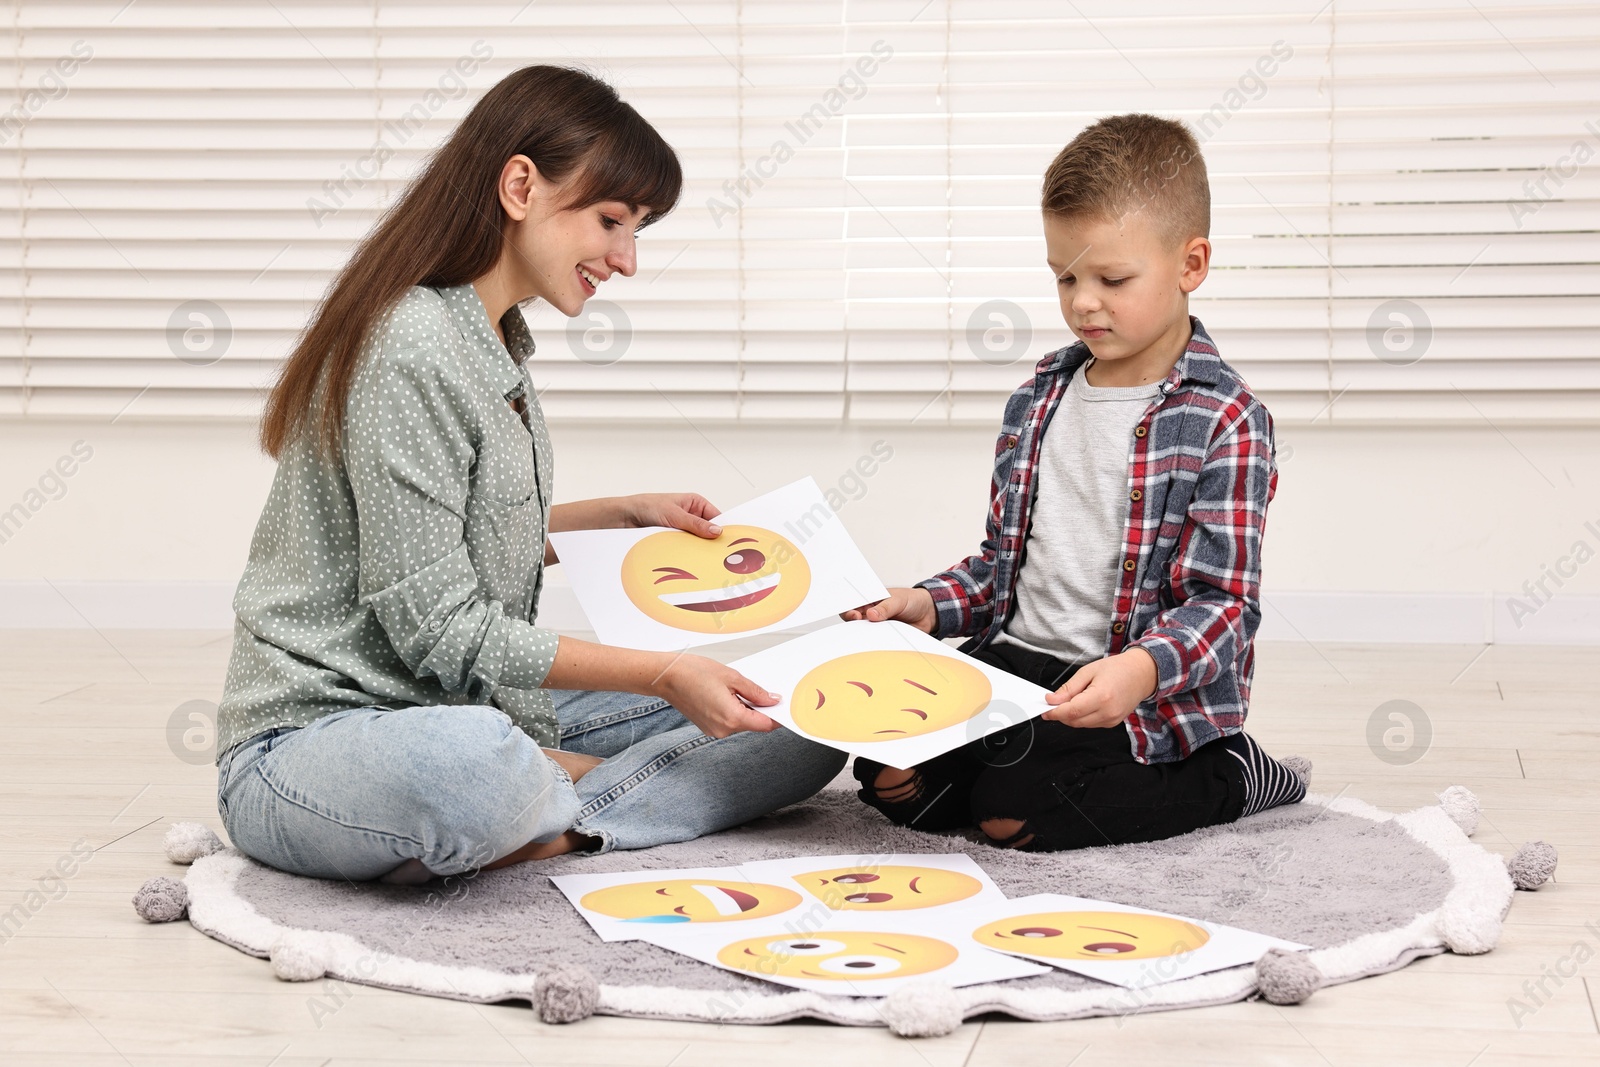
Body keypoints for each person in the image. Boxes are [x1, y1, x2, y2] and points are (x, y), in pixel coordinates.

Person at [215, 66, 845, 884]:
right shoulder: (413, 347)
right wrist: (660, 671)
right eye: (611, 220)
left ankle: (544, 805)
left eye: (638, 230)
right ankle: (557, 794)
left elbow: (452, 538)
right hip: (314, 739)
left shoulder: (492, 336)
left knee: (791, 719)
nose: (625, 260)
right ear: (520, 185)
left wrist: (619, 514)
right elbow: (441, 629)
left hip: (463, 701)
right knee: (472, 763)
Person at [843, 114, 1306, 852]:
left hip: (1119, 686)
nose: (1082, 301)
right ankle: (1002, 762)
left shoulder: (1228, 421)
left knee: (1015, 814)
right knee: (888, 773)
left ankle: (1232, 773)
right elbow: (1001, 566)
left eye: (1111, 279)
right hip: (1011, 665)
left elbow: (1222, 606)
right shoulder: (1038, 399)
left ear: (1191, 265)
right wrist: (927, 605)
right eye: (1065, 276)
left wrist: (1139, 668)